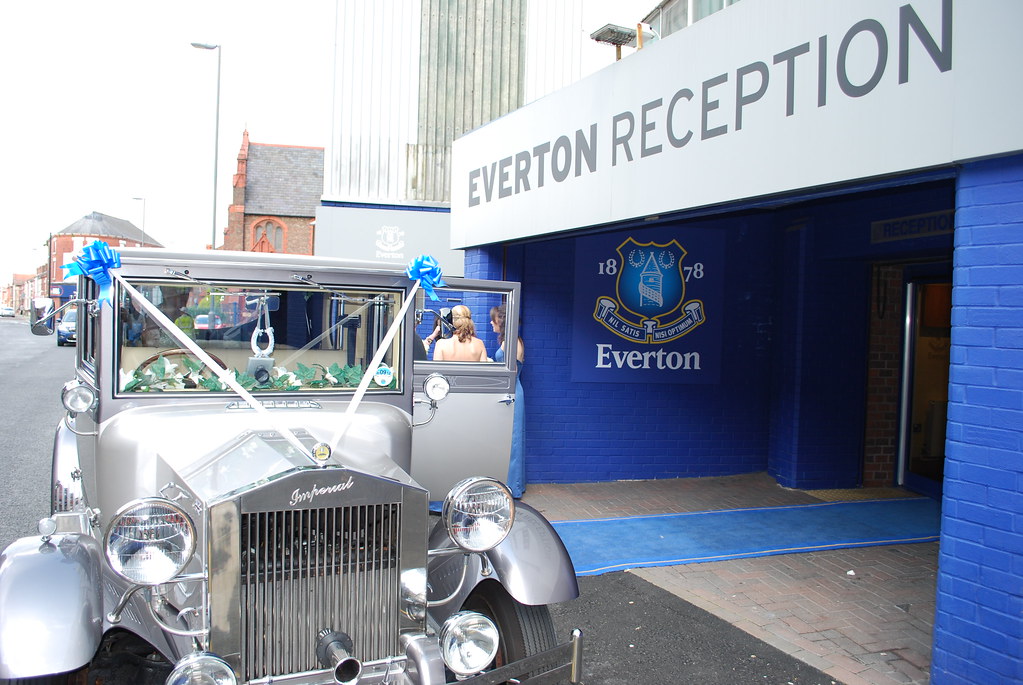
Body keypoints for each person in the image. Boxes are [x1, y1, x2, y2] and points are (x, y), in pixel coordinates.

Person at [491, 304, 525, 498]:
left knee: (512, 439)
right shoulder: (513, 341)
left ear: (501, 322)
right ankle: (513, 482)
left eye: (494, 319)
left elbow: (509, 371)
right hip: (512, 391)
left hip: (511, 393)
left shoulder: (511, 343)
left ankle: (512, 485)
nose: (491, 323)